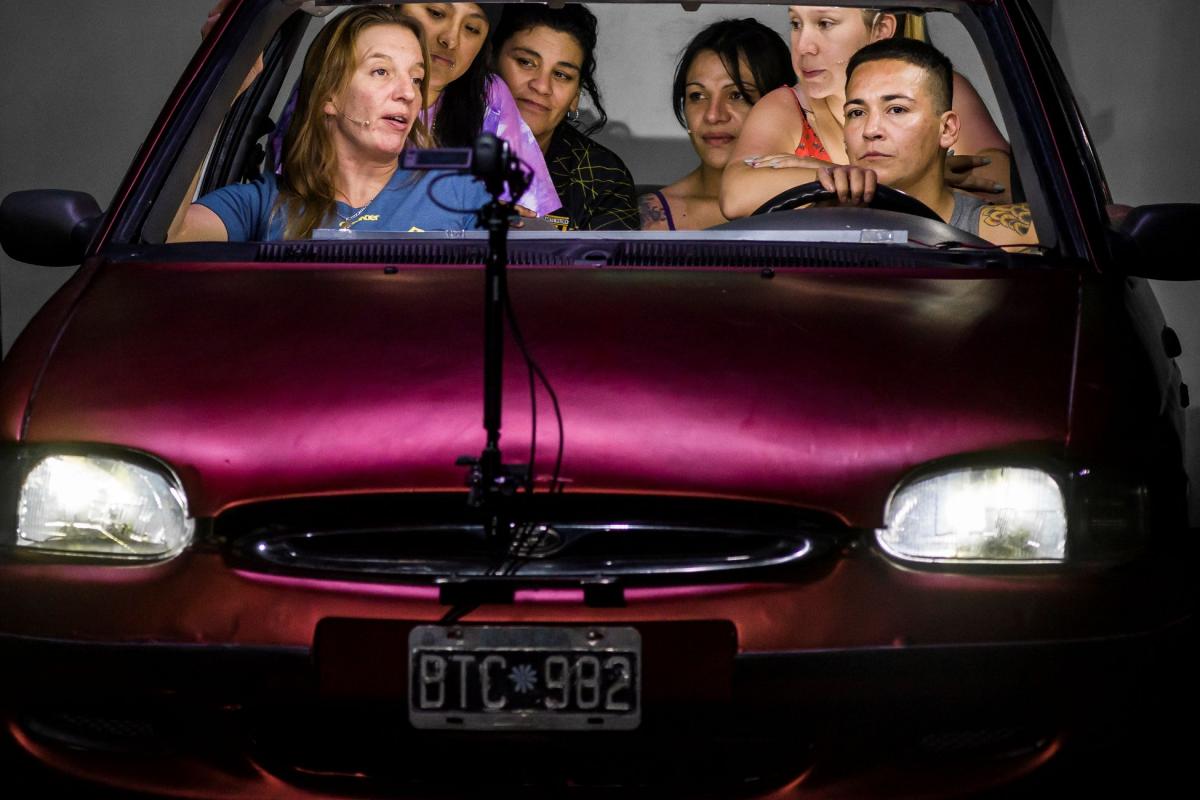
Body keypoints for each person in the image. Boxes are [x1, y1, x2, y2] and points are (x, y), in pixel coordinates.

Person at [169, 7, 489, 241]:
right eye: (381, 71)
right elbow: (170, 233)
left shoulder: (462, 196)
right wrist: (219, 89)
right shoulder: (266, 202)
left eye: (416, 78)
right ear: (329, 95)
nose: (408, 93)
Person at [720, 5, 1011, 220]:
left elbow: (1001, 186)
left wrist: (826, 176)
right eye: (796, 24)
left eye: (825, 23)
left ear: (881, 30)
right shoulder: (786, 106)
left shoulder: (939, 86)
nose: (803, 46)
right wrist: (919, 178)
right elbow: (736, 195)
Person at [816, 37, 1037, 247]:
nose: (870, 130)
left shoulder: (1006, 234)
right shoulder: (815, 222)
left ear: (947, 129)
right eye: (856, 113)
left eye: (897, 109)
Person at [398, 3, 560, 216]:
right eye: (436, 13)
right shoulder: (357, 85)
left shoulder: (489, 98)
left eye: (472, 28)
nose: (450, 40)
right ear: (392, 7)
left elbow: (526, 214)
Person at [492, 3, 638, 231]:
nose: (542, 86)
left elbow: (610, 255)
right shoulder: (442, 145)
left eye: (561, 75)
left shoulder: (602, 177)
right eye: (526, 62)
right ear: (490, 61)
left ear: (575, 96)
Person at [639, 18, 793, 231]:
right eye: (697, 95)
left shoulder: (818, 202)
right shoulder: (648, 219)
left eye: (737, 95)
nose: (713, 115)